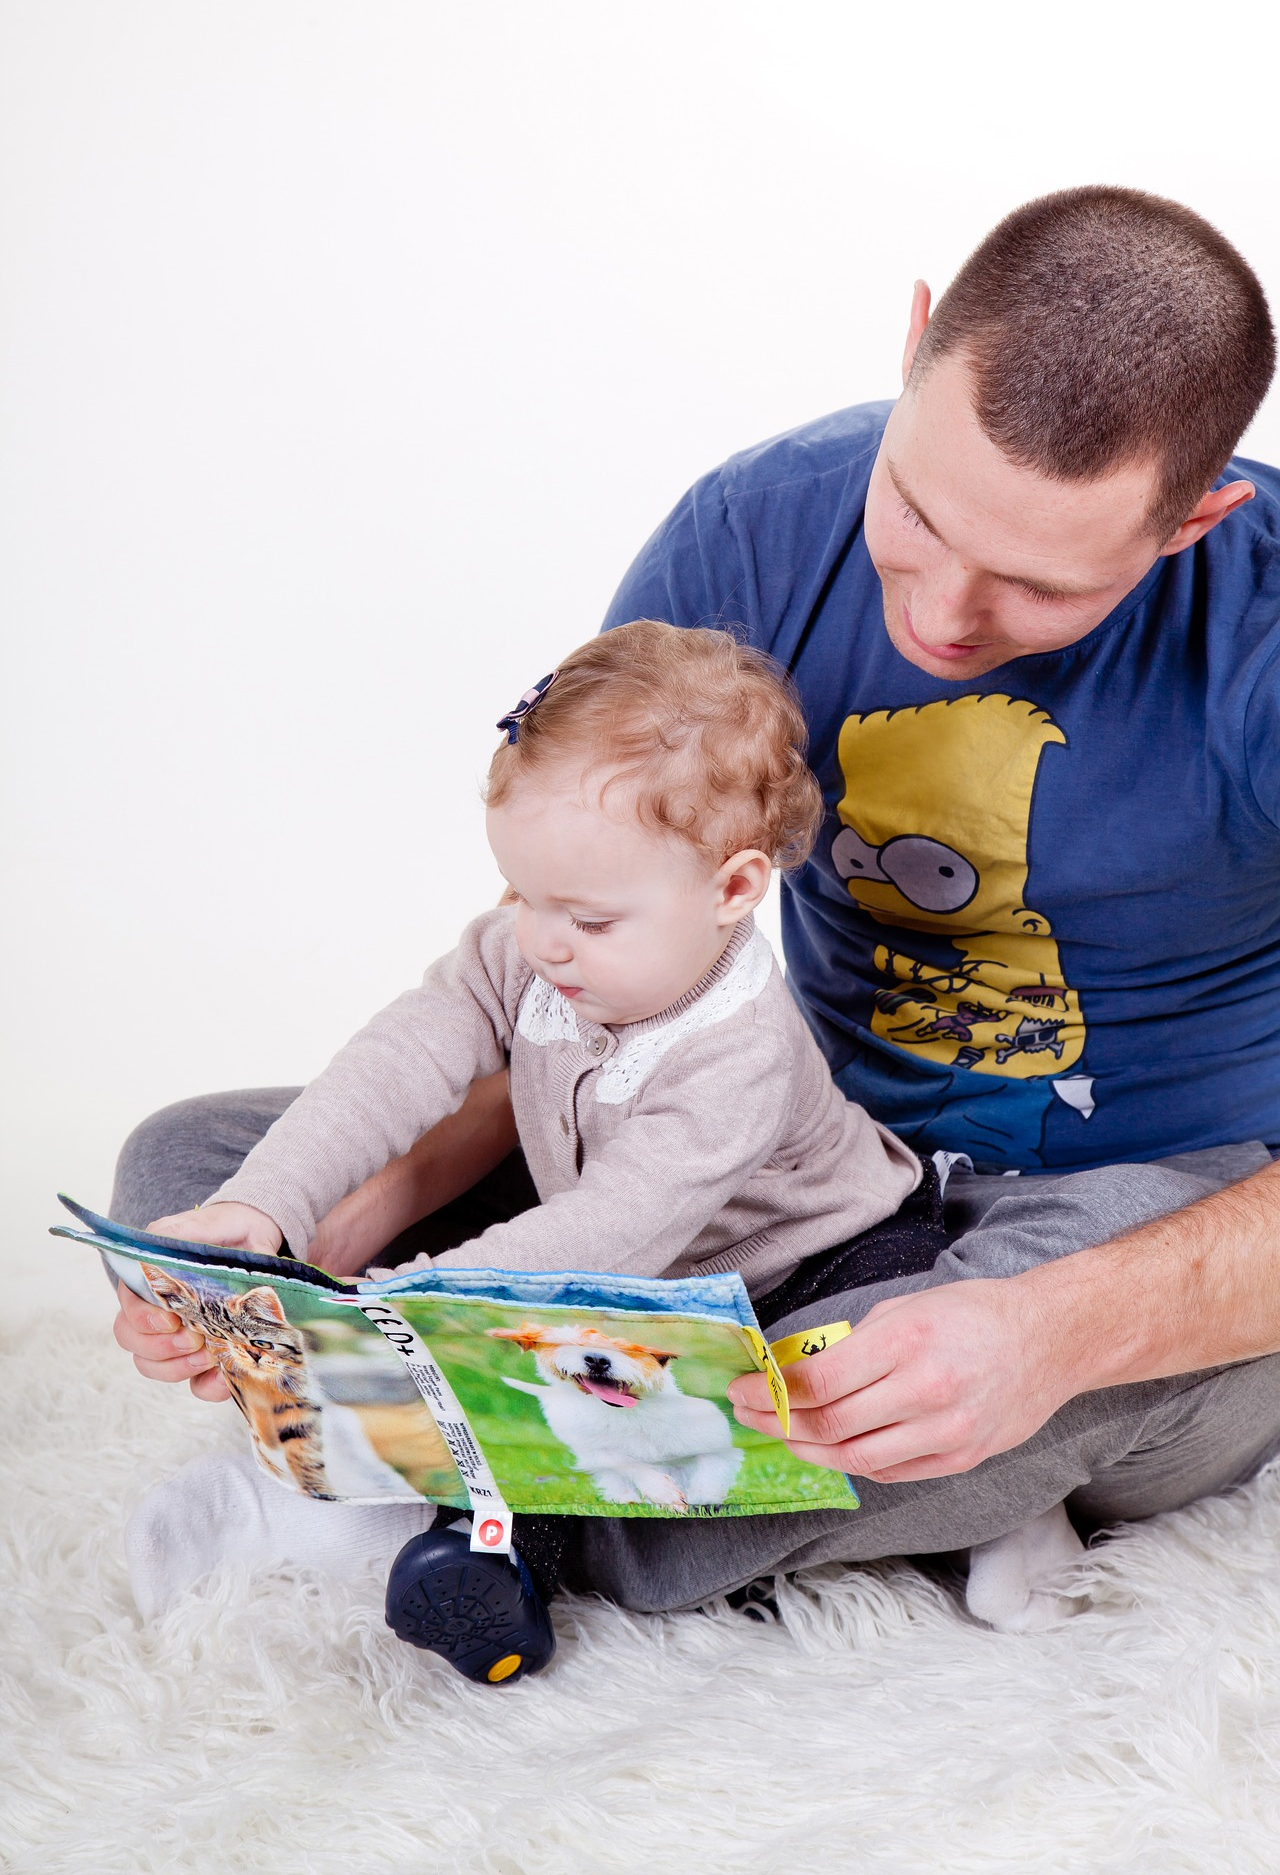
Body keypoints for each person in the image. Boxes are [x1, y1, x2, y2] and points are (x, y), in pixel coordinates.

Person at [114, 185, 1280, 1641]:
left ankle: (468, 1511)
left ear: (1196, 519)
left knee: (968, 1370)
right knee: (192, 1161)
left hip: (1143, 1215)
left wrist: (1054, 1335)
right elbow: (569, 977)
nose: (943, 613)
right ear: (915, 344)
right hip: (770, 1162)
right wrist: (317, 1253)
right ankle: (753, 1483)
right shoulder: (751, 534)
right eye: (913, 513)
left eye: (1041, 585)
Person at [122, 619, 935, 1680]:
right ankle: (431, 1537)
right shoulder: (529, 950)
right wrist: (267, 1202)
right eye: (523, 897)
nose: (544, 942)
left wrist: (409, 1304)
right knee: (182, 1163)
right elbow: (397, 1063)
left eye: (590, 920)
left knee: (810, 1392)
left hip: (815, 1262)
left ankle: (983, 1528)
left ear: (731, 891)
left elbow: (609, 1230)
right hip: (614, 1279)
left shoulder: (740, 1055)